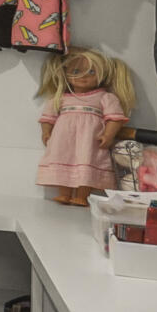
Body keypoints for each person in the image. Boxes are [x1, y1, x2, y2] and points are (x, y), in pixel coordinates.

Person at [37, 47, 137, 205]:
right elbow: (47, 118)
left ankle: (81, 196)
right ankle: (64, 193)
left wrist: (108, 135)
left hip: (90, 141)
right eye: (76, 72)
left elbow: (115, 119)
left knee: (88, 162)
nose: (83, 77)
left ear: (102, 75)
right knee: (63, 160)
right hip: (64, 141)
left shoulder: (105, 97)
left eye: (91, 72)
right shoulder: (60, 98)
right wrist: (46, 132)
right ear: (66, 74)